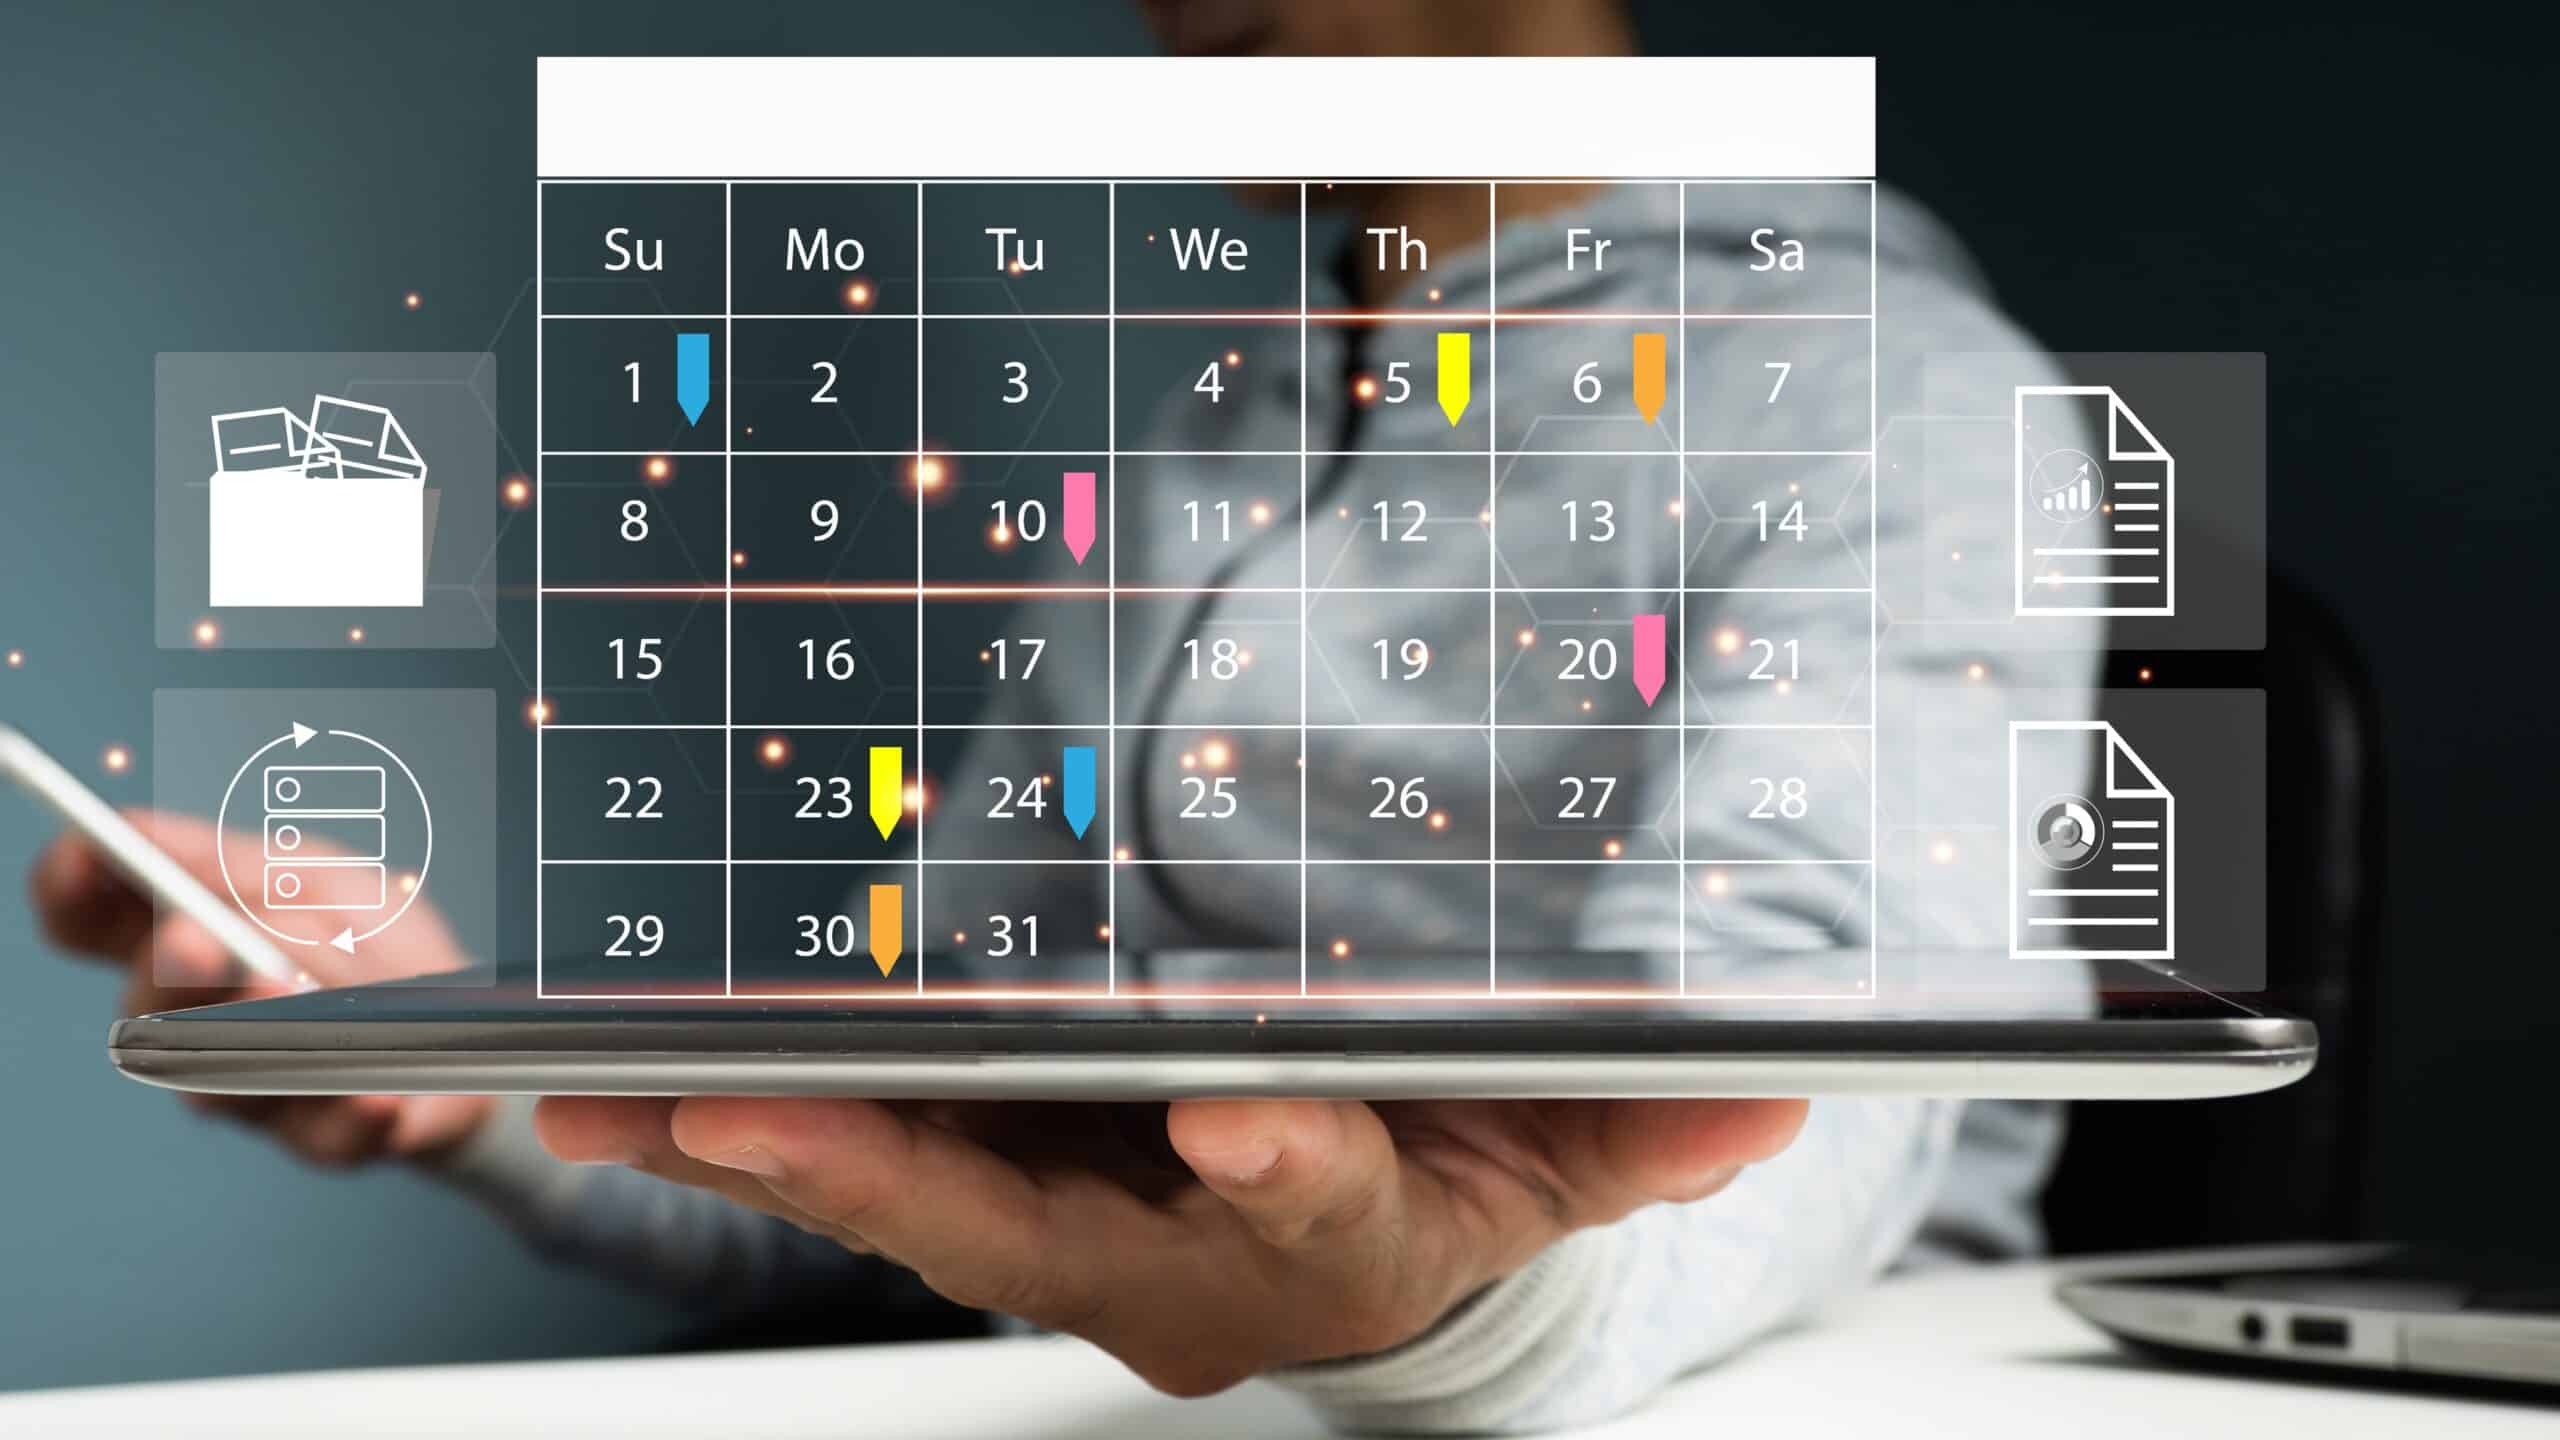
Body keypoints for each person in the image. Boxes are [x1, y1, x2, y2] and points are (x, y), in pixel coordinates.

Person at [31, 2, 2098, 1430]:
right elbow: (964, 1163)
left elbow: (1812, 1111)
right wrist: (461, 1062)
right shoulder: (1202, 437)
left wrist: (1434, 1296)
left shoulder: (1906, 406)